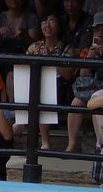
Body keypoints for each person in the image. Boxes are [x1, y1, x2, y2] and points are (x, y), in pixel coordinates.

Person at [66, 10, 103, 153]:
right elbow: (82, 75)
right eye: (96, 29)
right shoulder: (88, 50)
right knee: (76, 102)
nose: (99, 33)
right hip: (88, 89)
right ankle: (72, 143)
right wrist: (89, 58)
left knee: (99, 100)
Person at [26, 13, 74, 149]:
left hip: (59, 86)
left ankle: (45, 141)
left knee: (45, 89)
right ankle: (20, 118)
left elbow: (69, 75)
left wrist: (50, 62)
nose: (47, 25)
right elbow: (24, 68)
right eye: (43, 22)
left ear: (59, 26)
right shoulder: (34, 47)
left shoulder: (66, 48)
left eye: (51, 21)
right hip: (35, 82)